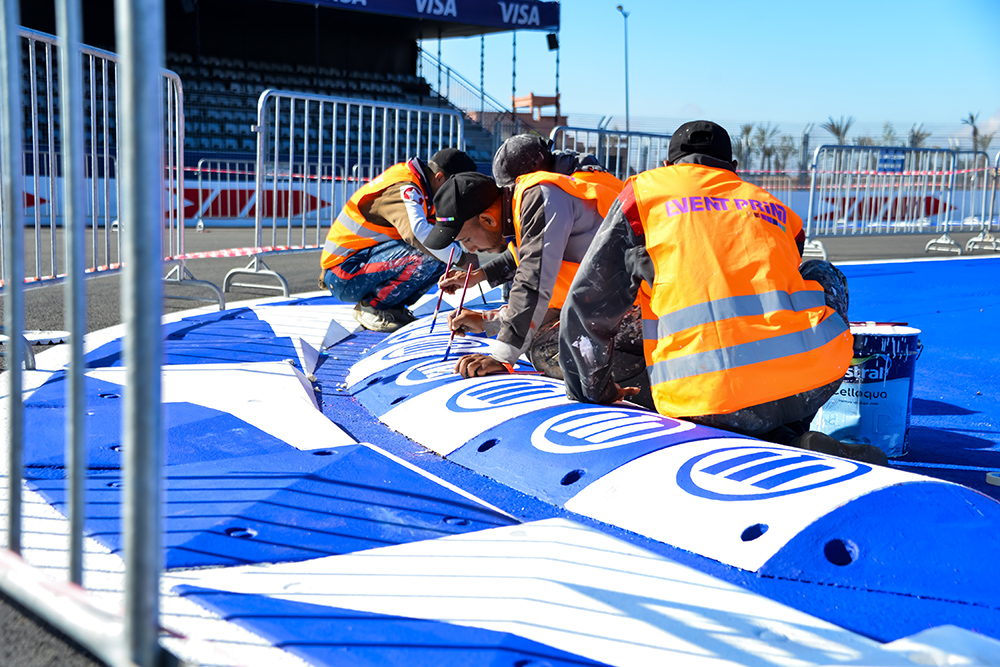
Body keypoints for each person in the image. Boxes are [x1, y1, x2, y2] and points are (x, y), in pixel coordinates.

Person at [558, 120, 887, 465]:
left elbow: (591, 300)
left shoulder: (645, 196)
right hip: (804, 386)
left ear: (669, 167)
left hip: (699, 396)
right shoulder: (778, 211)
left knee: (634, 327)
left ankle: (767, 431)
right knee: (823, 274)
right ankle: (788, 432)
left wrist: (591, 391)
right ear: (732, 170)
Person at [424, 170, 645, 387]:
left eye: (467, 239)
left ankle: (650, 384)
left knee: (549, 350)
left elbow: (533, 283)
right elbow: (554, 301)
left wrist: (501, 357)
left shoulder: (543, 199)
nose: (470, 248)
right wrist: (487, 321)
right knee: (541, 339)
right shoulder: (528, 208)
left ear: (487, 220)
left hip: (646, 304)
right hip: (623, 302)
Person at [319, 148, 478, 332]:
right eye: (455, 190)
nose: (456, 197)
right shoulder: (406, 187)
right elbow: (417, 232)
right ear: (440, 178)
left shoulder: (422, 188)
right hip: (342, 273)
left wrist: (466, 241)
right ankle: (372, 307)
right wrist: (462, 259)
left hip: (354, 267)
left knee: (443, 249)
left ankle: (392, 307)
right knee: (430, 250)